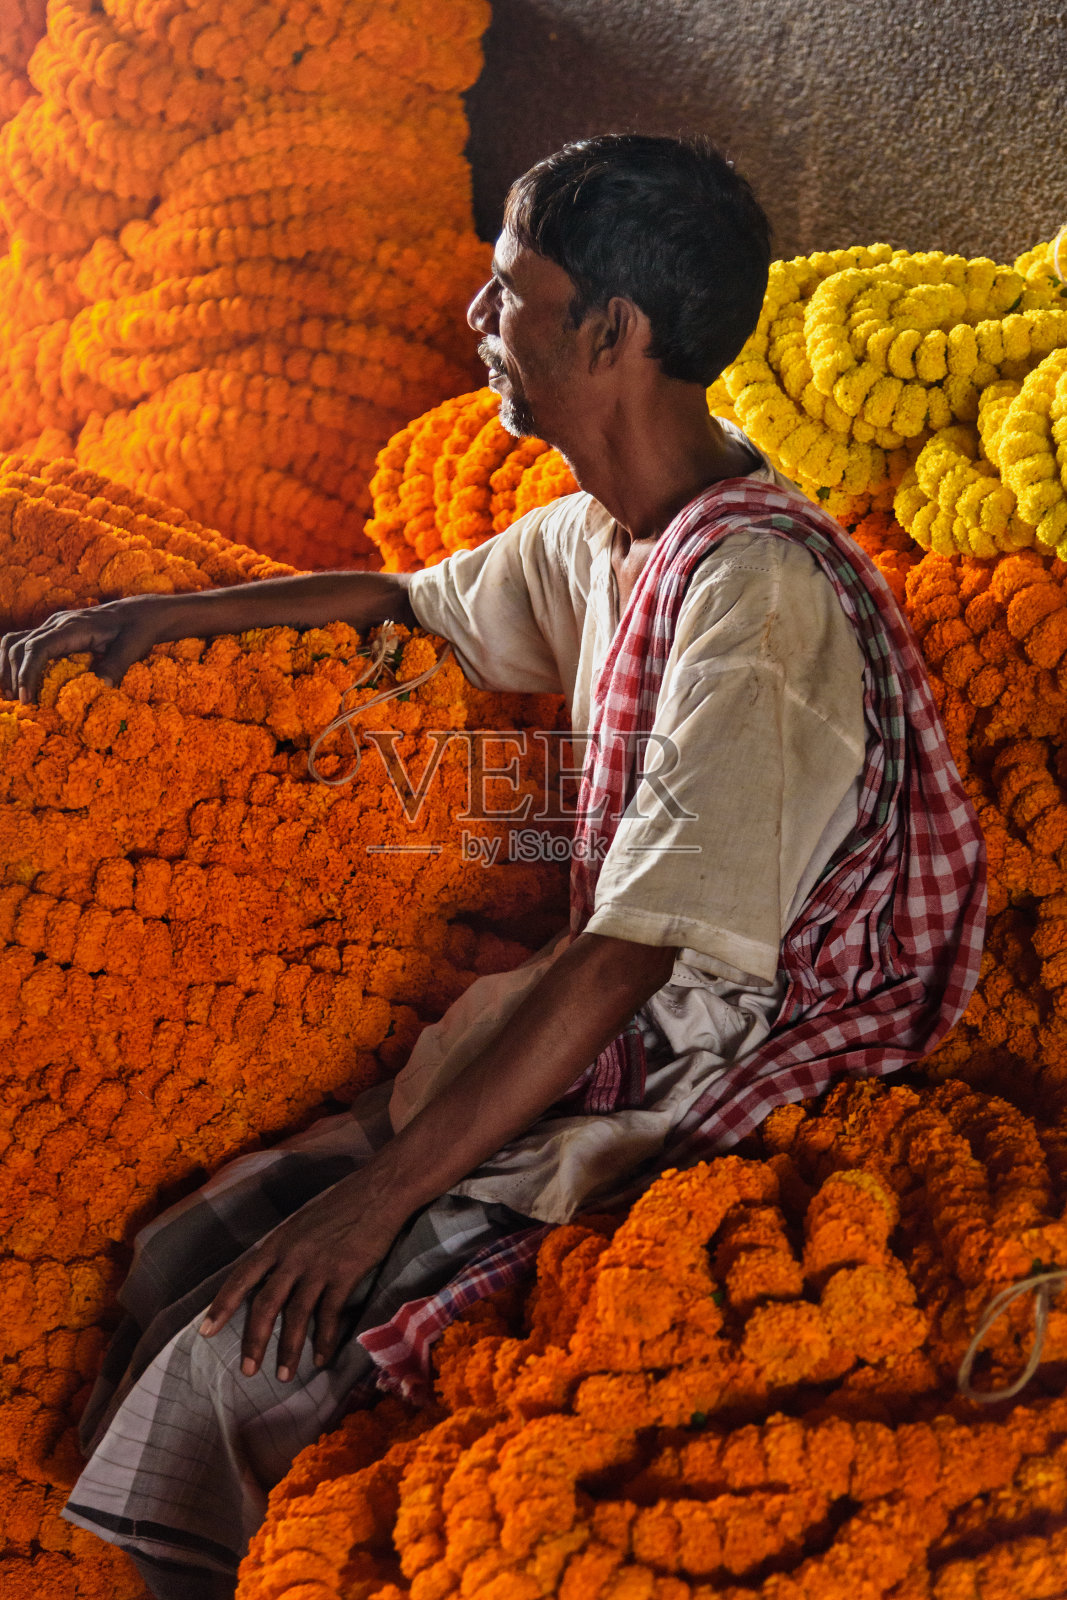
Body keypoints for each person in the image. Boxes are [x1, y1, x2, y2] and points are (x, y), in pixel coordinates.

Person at [0, 135, 985, 1598]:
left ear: (613, 332)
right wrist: (159, 618)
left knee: (247, 1363)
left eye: (509, 290)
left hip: (743, 1047)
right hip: (616, 997)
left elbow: (636, 950)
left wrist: (375, 1202)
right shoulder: (612, 531)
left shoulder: (755, 594)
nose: (478, 320)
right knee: (174, 1260)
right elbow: (413, 601)